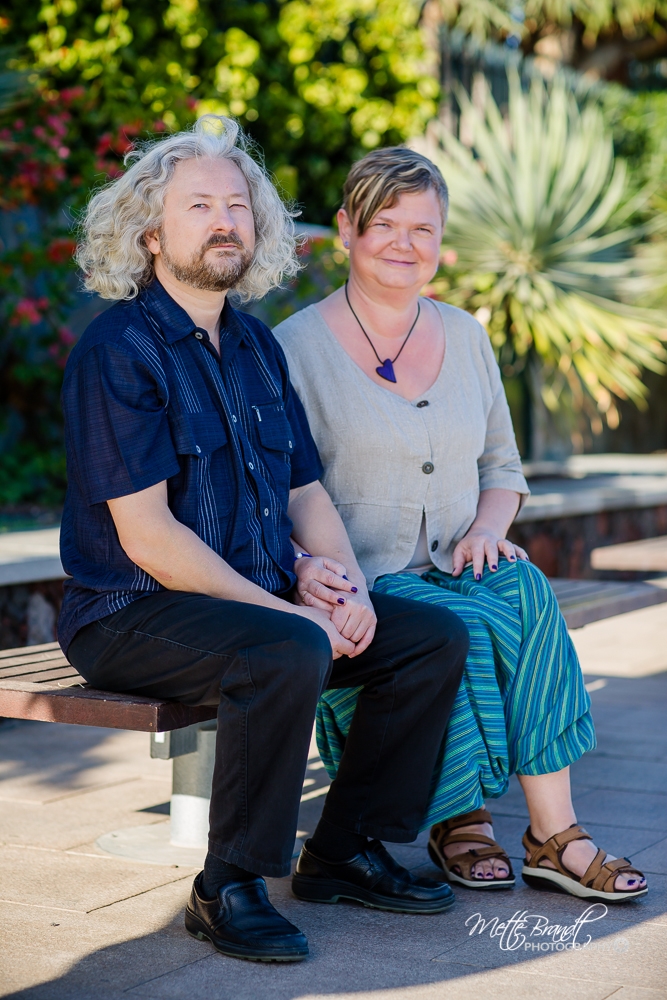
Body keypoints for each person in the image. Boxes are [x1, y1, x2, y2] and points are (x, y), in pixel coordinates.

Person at [59, 118, 470, 964]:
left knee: (426, 637)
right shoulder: (118, 351)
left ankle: (344, 850)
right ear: (149, 230)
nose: (224, 222)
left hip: (247, 600)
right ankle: (228, 886)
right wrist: (294, 614)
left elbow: (303, 489)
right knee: (284, 649)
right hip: (131, 612)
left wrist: (349, 597)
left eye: (238, 206)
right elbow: (149, 539)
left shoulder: (252, 343)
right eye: (198, 204)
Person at [273, 146, 647, 902]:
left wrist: (485, 527)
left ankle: (553, 833)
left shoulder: (466, 335)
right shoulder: (293, 348)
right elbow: (271, 490)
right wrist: (306, 570)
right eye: (384, 224)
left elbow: (502, 467)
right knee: (461, 629)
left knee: (524, 590)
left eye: (423, 228)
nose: (404, 244)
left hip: (454, 559)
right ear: (344, 229)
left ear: (441, 242)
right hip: (365, 582)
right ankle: (461, 818)